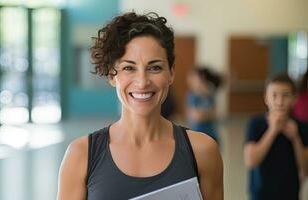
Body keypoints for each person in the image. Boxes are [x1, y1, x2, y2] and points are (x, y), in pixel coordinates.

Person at [57, 12, 223, 200]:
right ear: (113, 75)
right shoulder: (80, 155)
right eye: (129, 68)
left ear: (171, 73)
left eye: (155, 67)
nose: (142, 82)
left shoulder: (203, 151)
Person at [244, 73, 308, 200]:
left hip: (290, 194)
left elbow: (305, 167)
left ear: (294, 99)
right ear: (266, 99)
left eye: (285, 95)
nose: (279, 102)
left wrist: (295, 138)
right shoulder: (256, 123)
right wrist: (273, 131)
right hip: (260, 194)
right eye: (274, 95)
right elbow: (251, 161)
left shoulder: (301, 127)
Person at [185, 67, 222, 142]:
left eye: (194, 77)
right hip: (197, 136)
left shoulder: (210, 95)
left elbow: (216, 114)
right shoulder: (191, 96)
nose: (190, 80)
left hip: (211, 135)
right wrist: (207, 114)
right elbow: (196, 117)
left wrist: (203, 114)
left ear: (201, 78)